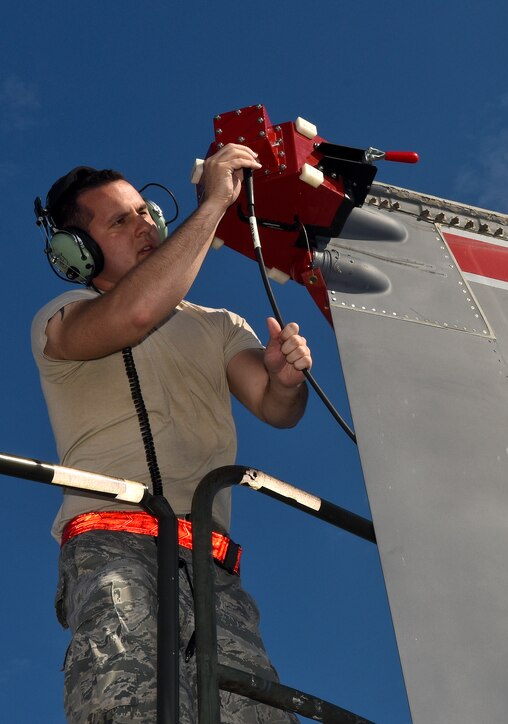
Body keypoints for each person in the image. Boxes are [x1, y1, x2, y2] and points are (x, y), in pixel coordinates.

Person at [31, 144, 307, 722]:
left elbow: (277, 407)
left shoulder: (218, 326)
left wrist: (285, 379)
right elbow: (134, 315)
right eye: (119, 219)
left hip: (211, 569)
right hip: (113, 551)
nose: (145, 224)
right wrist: (212, 207)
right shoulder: (61, 319)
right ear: (76, 252)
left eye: (144, 211)